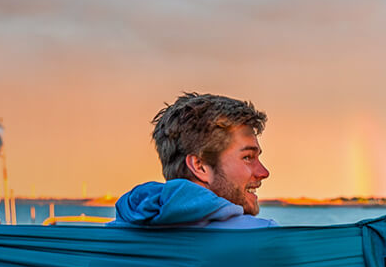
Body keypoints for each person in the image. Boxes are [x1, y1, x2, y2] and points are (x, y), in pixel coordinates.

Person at [112, 93, 276, 228]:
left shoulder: (111, 242)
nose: (264, 172)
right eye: (247, 157)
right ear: (200, 166)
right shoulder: (264, 238)